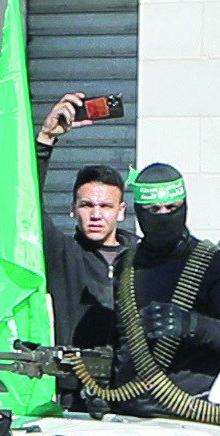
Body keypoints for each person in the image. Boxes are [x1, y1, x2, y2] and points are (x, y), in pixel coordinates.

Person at [65, 166, 220, 422]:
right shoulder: (128, 263)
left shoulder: (212, 265)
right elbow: (124, 342)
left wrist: (192, 324)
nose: (164, 216)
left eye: (172, 207)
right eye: (154, 210)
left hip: (191, 417)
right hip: (128, 415)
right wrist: (105, 392)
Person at [37, 143, 135, 370]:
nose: (96, 215)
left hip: (134, 393)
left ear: (121, 211)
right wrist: (44, 144)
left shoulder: (143, 258)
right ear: (72, 209)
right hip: (75, 389)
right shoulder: (62, 254)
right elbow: (26, 204)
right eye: (87, 205)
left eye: (106, 206)